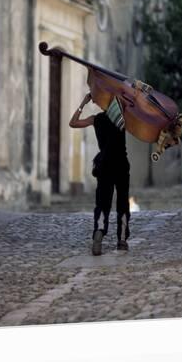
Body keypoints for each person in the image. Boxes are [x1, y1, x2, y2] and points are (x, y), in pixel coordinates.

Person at [69, 93, 131, 256]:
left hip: (104, 165)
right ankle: (122, 239)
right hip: (121, 165)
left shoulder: (96, 119)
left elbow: (73, 123)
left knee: (103, 204)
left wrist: (83, 102)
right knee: (123, 203)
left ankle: (99, 233)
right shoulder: (123, 119)